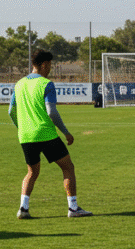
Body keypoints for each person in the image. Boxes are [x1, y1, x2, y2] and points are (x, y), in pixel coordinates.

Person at [10, 50, 92, 219]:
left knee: (32, 172)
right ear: (44, 64)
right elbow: (52, 112)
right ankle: (73, 208)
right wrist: (66, 132)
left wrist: (21, 127)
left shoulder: (19, 84)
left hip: (25, 136)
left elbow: (11, 111)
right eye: (50, 65)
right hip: (45, 133)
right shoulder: (46, 84)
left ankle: (23, 208)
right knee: (68, 167)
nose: (50, 69)